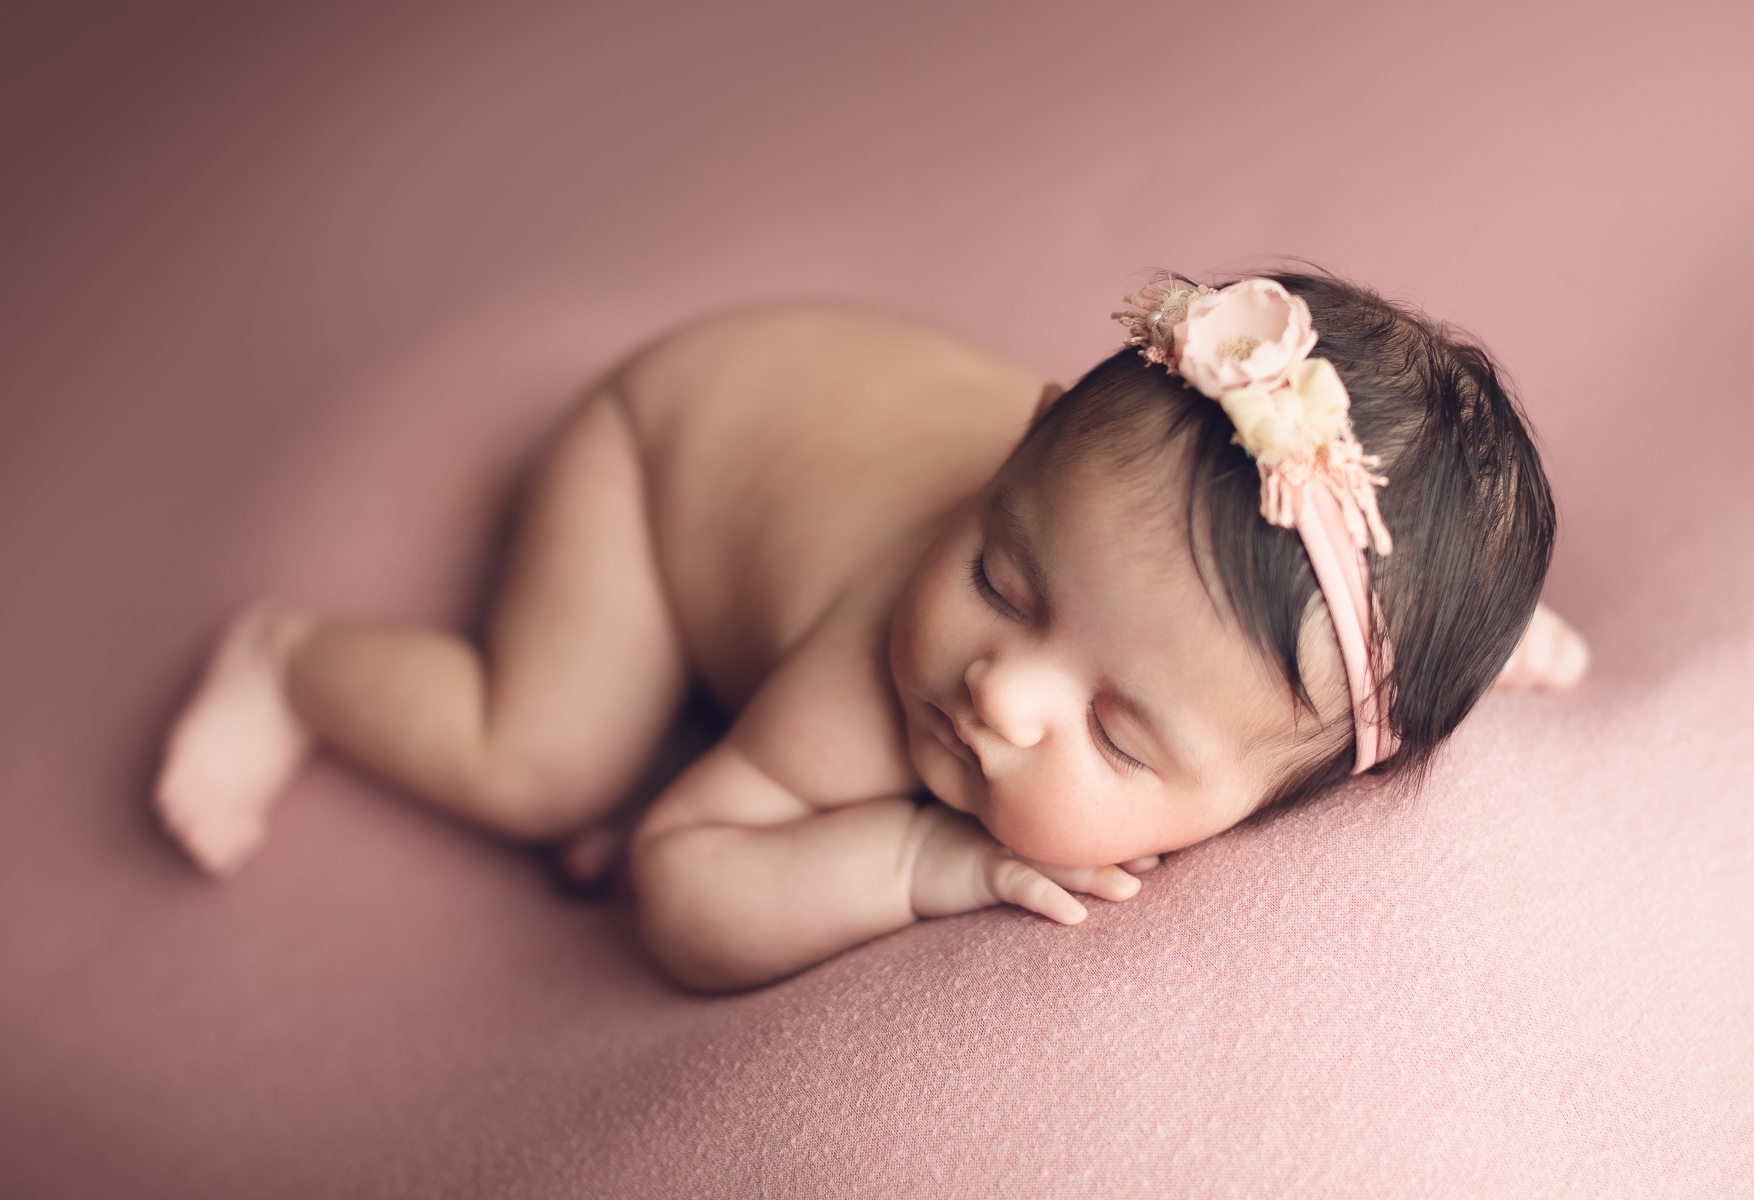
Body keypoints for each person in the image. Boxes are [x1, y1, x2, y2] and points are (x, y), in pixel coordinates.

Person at [154, 271, 1589, 991]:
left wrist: (1457, 641)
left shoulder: (1192, 624)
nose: (998, 689)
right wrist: (908, 856)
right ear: (1021, 455)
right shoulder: (875, 669)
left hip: (831, 410)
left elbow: (1350, 608)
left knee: (1269, 607)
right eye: (998, 578)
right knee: (552, 765)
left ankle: (708, 693)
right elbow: (680, 886)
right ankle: (290, 662)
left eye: (1113, 730)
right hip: (665, 450)